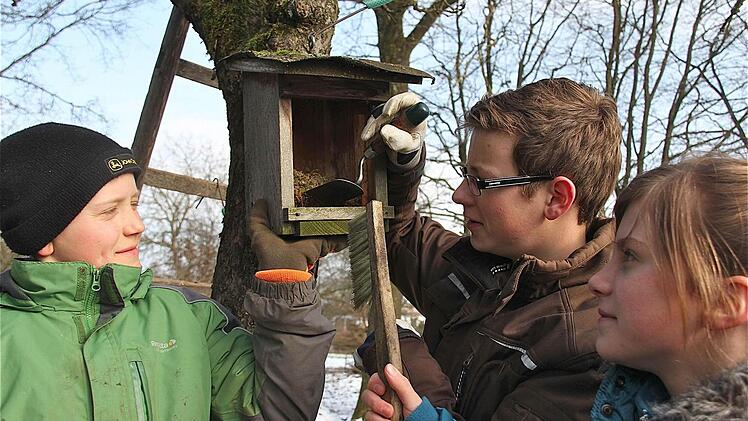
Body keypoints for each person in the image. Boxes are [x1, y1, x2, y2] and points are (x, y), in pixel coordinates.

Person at [363, 155, 748, 421]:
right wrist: (400, 169)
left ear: (727, 302)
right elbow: (400, 238)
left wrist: (414, 374)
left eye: (630, 257)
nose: (600, 282)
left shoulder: (592, 362)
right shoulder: (628, 397)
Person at [0, 122, 341, 420]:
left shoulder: (187, 319)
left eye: (133, 204)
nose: (137, 225)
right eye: (108, 212)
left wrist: (286, 280)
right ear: (44, 236)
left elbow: (277, 413)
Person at [357, 78, 622, 420]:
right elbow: (394, 234)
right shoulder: (484, 266)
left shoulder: (595, 343)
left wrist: (420, 388)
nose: (459, 194)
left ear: (556, 199)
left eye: (480, 182)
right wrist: (401, 164)